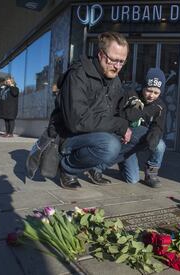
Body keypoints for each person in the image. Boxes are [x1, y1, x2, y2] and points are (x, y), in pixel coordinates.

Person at [51, 31, 131, 189]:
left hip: (98, 133)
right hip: (69, 138)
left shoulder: (115, 80)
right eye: (114, 60)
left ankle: (96, 167)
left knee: (144, 135)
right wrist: (118, 125)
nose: (117, 67)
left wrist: (131, 113)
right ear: (101, 54)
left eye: (122, 62)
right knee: (110, 145)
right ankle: (67, 168)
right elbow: (77, 122)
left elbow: (118, 113)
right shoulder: (78, 75)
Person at [117, 68, 167, 188]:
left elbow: (158, 126)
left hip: (141, 139)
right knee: (133, 179)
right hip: (126, 137)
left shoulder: (160, 106)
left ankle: (151, 173)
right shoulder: (132, 95)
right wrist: (149, 110)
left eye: (156, 93)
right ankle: (122, 160)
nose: (151, 95)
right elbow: (130, 115)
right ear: (143, 87)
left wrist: (153, 137)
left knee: (160, 144)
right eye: (149, 90)